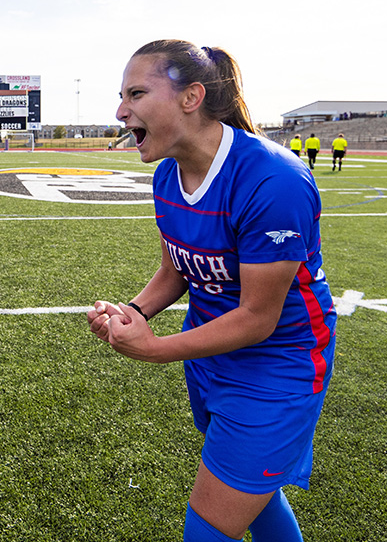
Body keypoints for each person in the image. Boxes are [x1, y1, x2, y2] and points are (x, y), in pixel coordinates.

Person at [90, 39, 336, 542]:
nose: (120, 110)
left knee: (206, 528)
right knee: (257, 498)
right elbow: (176, 271)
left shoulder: (274, 180)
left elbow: (257, 318)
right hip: (208, 354)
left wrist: (155, 350)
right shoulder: (166, 176)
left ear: (191, 96)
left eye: (136, 93)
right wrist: (134, 312)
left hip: (278, 366)